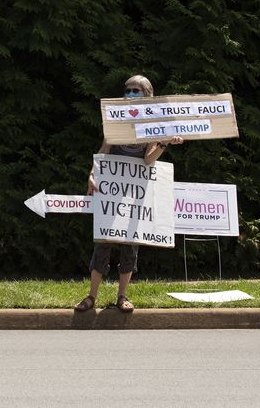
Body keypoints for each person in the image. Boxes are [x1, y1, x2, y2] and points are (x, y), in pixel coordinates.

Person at [74, 75, 183, 313]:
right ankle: (91, 296)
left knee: (130, 245)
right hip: (111, 191)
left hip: (135, 194)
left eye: (137, 91)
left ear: (148, 96)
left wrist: (164, 143)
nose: (131, 94)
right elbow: (103, 151)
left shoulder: (152, 125)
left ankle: (122, 296)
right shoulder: (116, 121)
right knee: (103, 242)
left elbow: (148, 159)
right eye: (129, 90)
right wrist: (91, 174)